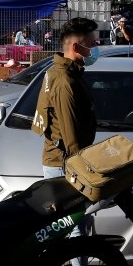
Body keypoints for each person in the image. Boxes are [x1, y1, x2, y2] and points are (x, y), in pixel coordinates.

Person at [30, 17, 99, 178]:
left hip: (61, 163)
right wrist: (85, 171)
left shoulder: (59, 71)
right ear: (76, 47)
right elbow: (71, 137)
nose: (96, 49)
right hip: (64, 166)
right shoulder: (65, 81)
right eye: (92, 44)